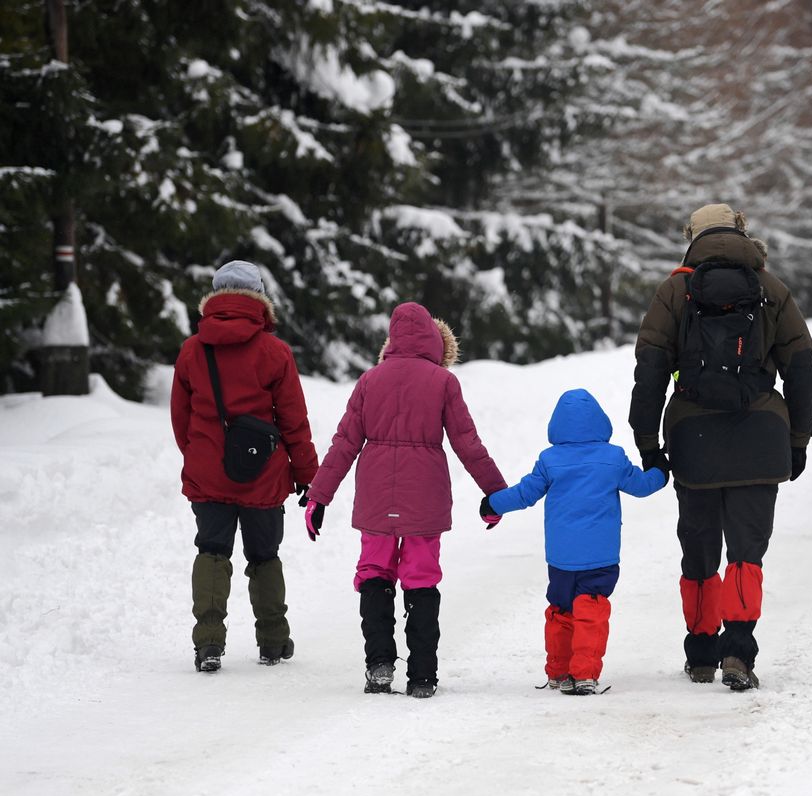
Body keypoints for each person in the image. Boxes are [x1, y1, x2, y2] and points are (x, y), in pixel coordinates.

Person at [628, 203, 812, 690]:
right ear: (741, 234)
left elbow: (650, 370)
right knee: (745, 555)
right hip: (761, 439)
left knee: (699, 551)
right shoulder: (771, 290)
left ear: (691, 237)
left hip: (694, 439)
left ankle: (700, 653)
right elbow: (803, 370)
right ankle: (738, 651)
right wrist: (798, 440)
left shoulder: (675, 291)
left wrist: (648, 443)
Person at [304, 302, 506, 698]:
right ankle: (422, 676)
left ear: (391, 340)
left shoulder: (370, 381)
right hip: (424, 498)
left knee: (375, 573)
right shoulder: (443, 382)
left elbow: (345, 442)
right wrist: (494, 492)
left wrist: (319, 496)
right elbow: (467, 443)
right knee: (421, 577)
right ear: (436, 340)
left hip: (376, 497)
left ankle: (379, 664)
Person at [170, 260, 318, 673]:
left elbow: (180, 418)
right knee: (265, 555)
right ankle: (272, 641)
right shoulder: (275, 352)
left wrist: (199, 454)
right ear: (259, 298)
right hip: (263, 475)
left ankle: (209, 644)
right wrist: (308, 474)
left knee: (212, 551)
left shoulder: (192, 350)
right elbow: (293, 421)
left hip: (208, 474)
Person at [481, 389, 668, 696]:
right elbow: (642, 486)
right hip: (601, 557)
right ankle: (584, 674)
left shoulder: (550, 460)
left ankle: (557, 672)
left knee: (560, 610)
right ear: (600, 422)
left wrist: (492, 505)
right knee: (591, 611)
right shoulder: (613, 458)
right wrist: (661, 471)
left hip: (561, 559)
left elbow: (524, 494)